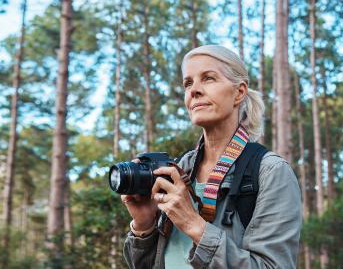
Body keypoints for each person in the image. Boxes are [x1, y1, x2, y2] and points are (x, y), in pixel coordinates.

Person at [121, 45, 302, 268]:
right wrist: (144, 225)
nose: (194, 90)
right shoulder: (179, 170)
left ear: (239, 92)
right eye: (188, 83)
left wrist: (195, 225)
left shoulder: (271, 172)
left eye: (208, 78)